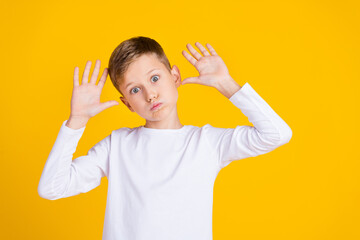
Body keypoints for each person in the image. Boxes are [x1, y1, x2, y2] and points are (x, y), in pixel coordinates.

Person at [38, 36, 292, 240]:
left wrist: (226, 84)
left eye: (155, 78)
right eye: (135, 90)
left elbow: (277, 134)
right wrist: (76, 122)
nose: (150, 95)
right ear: (128, 104)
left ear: (175, 76)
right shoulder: (117, 145)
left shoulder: (207, 142)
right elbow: (52, 188)